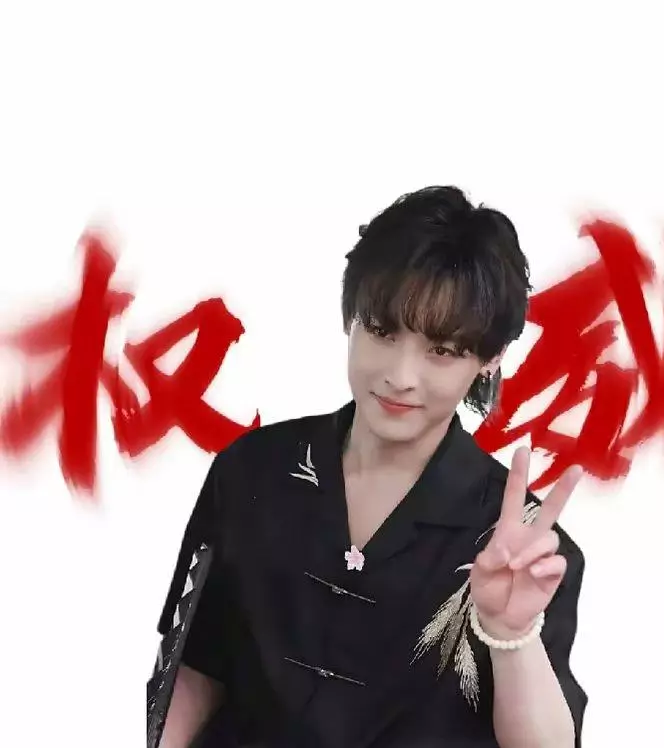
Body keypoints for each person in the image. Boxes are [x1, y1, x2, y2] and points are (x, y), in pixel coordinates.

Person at [148, 186, 587, 748]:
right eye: (382, 331)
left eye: (442, 351)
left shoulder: (524, 546)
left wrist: (511, 634)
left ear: (491, 357)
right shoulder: (250, 472)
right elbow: (194, 669)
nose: (400, 376)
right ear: (350, 316)